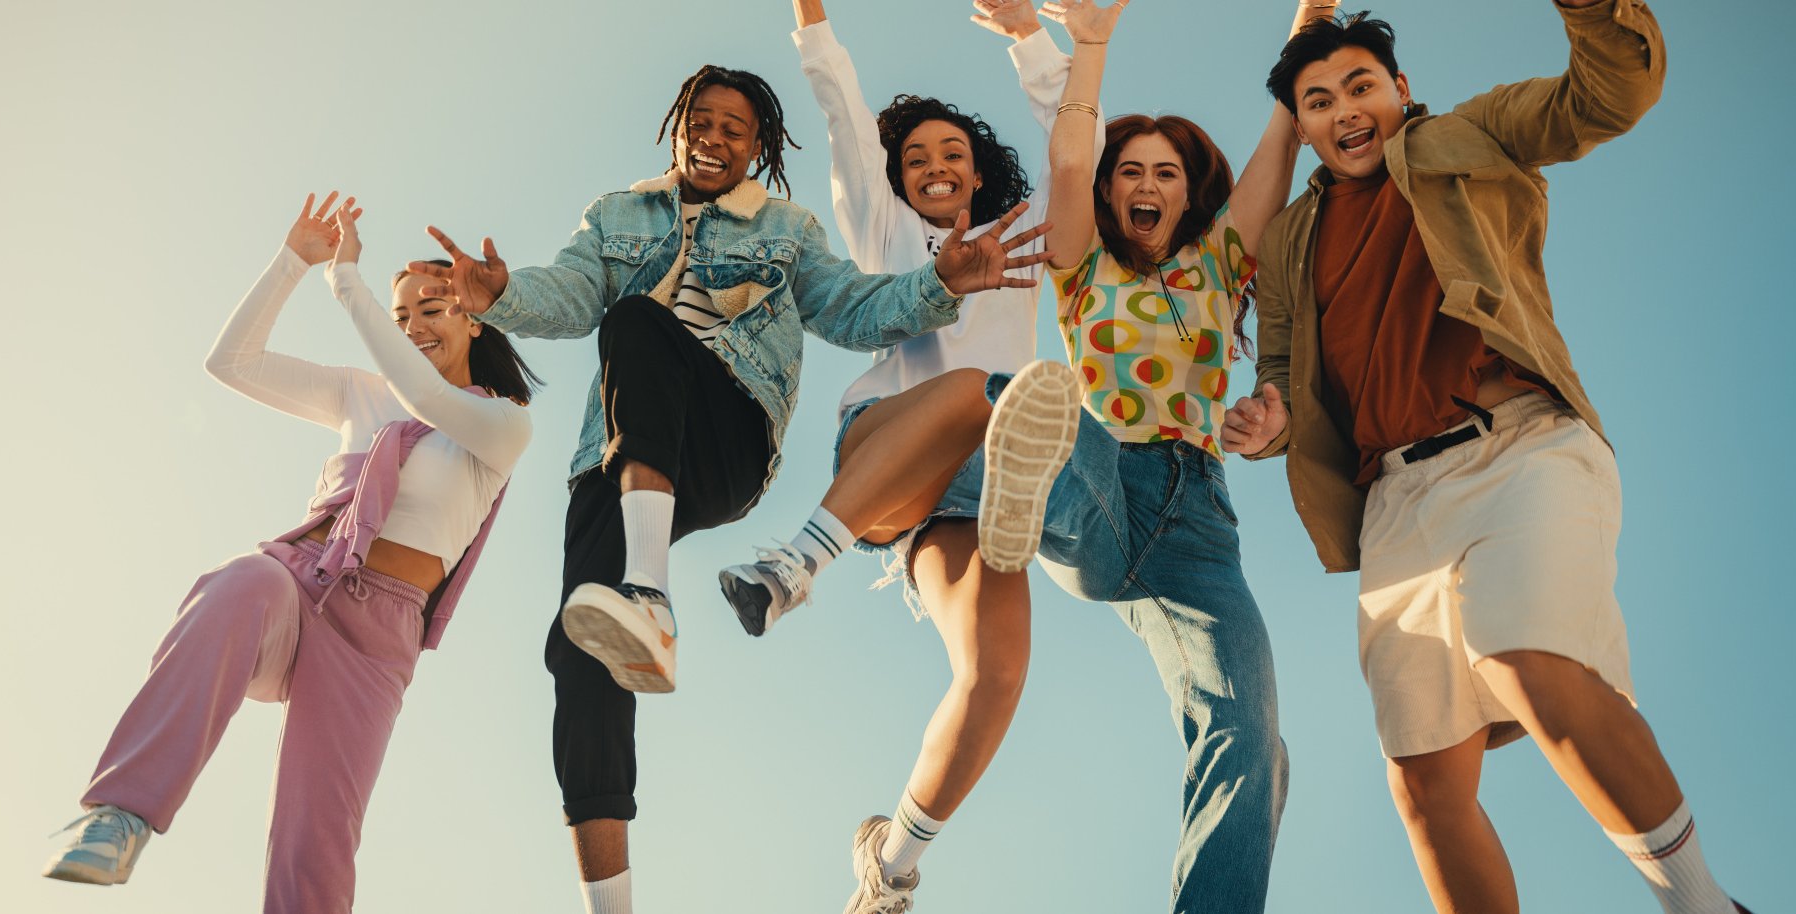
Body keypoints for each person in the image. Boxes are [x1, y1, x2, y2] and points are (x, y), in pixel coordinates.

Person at [405, 64, 1051, 914]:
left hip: (729, 431)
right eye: (700, 120)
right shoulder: (617, 216)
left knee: (636, 322)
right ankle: (612, 902)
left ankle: (654, 598)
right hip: (622, 449)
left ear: (759, 149)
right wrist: (505, 296)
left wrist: (939, 285)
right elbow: (564, 297)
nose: (713, 135)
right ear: (678, 127)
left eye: (735, 128)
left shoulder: (785, 228)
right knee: (578, 652)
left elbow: (851, 310)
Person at [1223, 5, 1751, 912]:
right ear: (1302, 126)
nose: (1344, 110)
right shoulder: (1289, 241)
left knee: (1524, 657)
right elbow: (1283, 374)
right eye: (1318, 100)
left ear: (1401, 90)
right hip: (1395, 508)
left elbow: (1606, 94)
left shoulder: (1470, 133)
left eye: (1360, 86)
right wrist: (1267, 421)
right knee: (1423, 785)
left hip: (1522, 453)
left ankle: (1703, 903)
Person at [40, 193, 537, 914]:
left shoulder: (500, 424)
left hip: (375, 642)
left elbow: (425, 394)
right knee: (242, 582)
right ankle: (119, 815)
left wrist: (349, 284)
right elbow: (230, 361)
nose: (413, 326)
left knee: (317, 844)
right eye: (400, 315)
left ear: (473, 316)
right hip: (302, 582)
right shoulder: (360, 394)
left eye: (432, 308)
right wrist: (294, 263)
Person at [711, 3, 1089, 911]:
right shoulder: (882, 231)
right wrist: (810, 17)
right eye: (916, 158)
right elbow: (840, 103)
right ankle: (794, 564)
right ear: (895, 177)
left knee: (996, 673)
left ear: (978, 169)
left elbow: (1075, 138)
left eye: (952, 154)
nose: (935, 167)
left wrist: (1031, 40)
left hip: (980, 493)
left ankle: (893, 865)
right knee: (968, 394)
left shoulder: (1027, 237)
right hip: (889, 447)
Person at [985, 0, 1314, 910]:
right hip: (1103, 477)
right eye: (1129, 169)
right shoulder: (1081, 262)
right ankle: (1025, 499)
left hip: (1200, 534)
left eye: (1164, 172)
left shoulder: (1218, 262)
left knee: (1255, 745)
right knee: (1012, 401)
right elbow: (1067, 156)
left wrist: (1314, 17)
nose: (1146, 182)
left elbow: (1284, 136)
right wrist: (1089, 45)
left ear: (1186, 191)